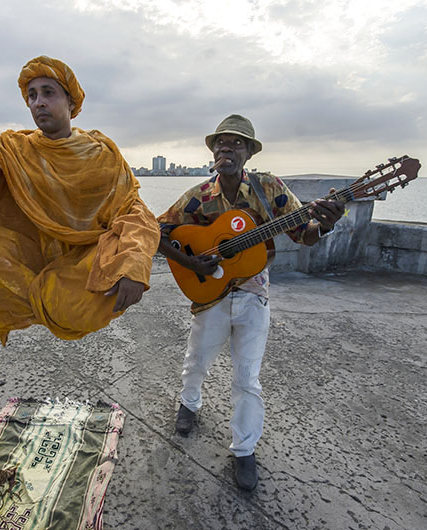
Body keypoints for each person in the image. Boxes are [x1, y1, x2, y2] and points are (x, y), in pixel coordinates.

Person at [157, 114, 349, 491]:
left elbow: (303, 235)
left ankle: (244, 449)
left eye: (236, 143)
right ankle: (189, 404)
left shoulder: (269, 188)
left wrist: (324, 224)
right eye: (221, 143)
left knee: (247, 378)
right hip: (209, 295)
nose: (226, 148)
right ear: (213, 152)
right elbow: (156, 231)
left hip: (254, 293)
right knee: (196, 360)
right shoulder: (198, 196)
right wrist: (190, 262)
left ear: (248, 152)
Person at [0, 56, 160, 344]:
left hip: (85, 260)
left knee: (90, 300)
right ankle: (34, 298)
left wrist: (132, 264)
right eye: (32, 96)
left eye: (48, 93)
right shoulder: (14, 149)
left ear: (71, 102)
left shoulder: (103, 156)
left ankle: (55, 296)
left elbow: (135, 213)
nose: (38, 102)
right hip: (30, 254)